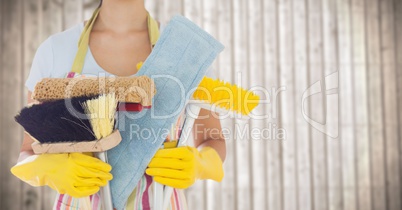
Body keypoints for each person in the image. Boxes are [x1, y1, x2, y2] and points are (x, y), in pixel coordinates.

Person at [10, 0, 226, 209]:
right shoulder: (56, 50)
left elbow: (212, 139)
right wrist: (50, 169)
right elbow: (28, 151)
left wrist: (199, 164)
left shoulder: (185, 52)